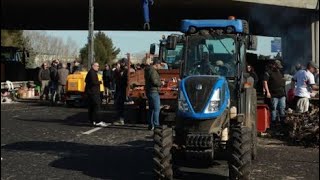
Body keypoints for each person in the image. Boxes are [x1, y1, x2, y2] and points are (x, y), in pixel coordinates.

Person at [263, 60, 286, 126]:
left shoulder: (280, 72)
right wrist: (267, 92)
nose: (278, 68)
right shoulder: (268, 73)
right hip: (273, 94)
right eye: (277, 66)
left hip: (281, 94)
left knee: (282, 108)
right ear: (273, 65)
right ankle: (273, 123)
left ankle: (282, 123)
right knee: (274, 109)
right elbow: (265, 82)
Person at [85, 62, 108, 127]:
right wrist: (100, 82)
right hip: (93, 93)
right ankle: (98, 121)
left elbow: (86, 80)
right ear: (93, 66)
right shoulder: (92, 73)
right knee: (97, 106)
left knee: (92, 107)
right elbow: (93, 82)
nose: (98, 67)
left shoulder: (91, 72)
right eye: (97, 66)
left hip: (91, 92)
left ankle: (92, 120)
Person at [144, 61, 164, 130]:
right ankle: (156, 125)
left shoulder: (148, 70)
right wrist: (161, 83)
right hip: (154, 91)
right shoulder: (153, 71)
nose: (160, 67)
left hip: (149, 91)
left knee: (151, 109)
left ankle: (151, 124)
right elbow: (154, 81)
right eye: (160, 65)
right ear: (156, 64)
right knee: (156, 109)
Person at [113, 60, 128, 125]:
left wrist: (117, 71)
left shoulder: (124, 71)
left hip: (121, 90)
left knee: (120, 105)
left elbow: (119, 80)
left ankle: (121, 119)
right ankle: (120, 119)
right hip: (120, 90)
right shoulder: (122, 71)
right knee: (119, 105)